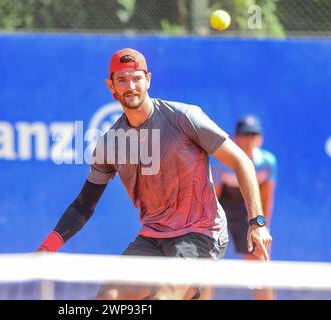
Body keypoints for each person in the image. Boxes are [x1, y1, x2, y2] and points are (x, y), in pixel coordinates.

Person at [37, 48, 272, 300]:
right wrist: (47, 248)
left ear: (148, 79)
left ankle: (189, 288)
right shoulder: (109, 145)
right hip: (152, 238)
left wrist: (257, 223)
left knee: (162, 298)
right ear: (111, 86)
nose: (131, 86)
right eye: (122, 80)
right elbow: (83, 206)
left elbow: (242, 162)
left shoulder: (184, 118)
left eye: (136, 78)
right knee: (109, 298)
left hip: (201, 233)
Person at [201, 115, 277, 300]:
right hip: (222, 211)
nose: (249, 139)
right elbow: (214, 197)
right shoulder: (223, 164)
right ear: (236, 138)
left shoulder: (268, 162)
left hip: (248, 213)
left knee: (260, 264)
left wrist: (262, 227)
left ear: (261, 139)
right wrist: (207, 229)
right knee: (207, 262)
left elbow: (266, 197)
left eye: (254, 134)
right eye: (245, 134)